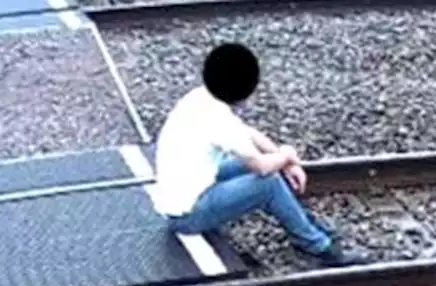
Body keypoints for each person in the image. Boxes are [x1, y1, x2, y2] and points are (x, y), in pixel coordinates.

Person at [150, 43, 368, 267]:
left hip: (191, 190)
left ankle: (307, 225)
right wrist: (286, 156)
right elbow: (261, 167)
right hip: (186, 216)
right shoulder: (216, 118)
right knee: (268, 184)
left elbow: (247, 133)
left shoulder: (201, 98)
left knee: (262, 166)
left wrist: (285, 159)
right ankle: (316, 245)